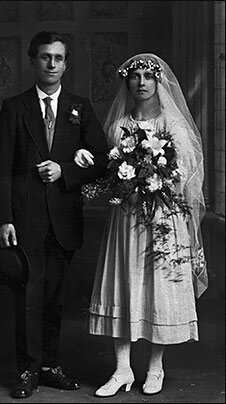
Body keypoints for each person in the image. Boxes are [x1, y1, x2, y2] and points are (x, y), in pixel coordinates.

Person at [74, 53, 208, 397]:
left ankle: (154, 367)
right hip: (127, 218)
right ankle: (121, 370)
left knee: (157, 287)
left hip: (164, 216)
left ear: (159, 81)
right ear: (127, 82)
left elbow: (188, 174)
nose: (142, 83)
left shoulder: (173, 125)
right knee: (124, 284)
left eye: (149, 76)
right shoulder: (119, 125)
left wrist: (161, 183)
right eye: (135, 77)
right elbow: (108, 171)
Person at [0, 30, 109, 399]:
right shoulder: (15, 107)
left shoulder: (81, 107)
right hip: (25, 219)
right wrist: (4, 218)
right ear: (32, 61)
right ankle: (27, 370)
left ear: (66, 63)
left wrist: (66, 172)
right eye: (45, 57)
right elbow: (1, 169)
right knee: (28, 295)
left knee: (55, 297)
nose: (52, 64)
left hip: (64, 220)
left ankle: (49, 366)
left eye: (58, 58)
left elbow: (103, 160)